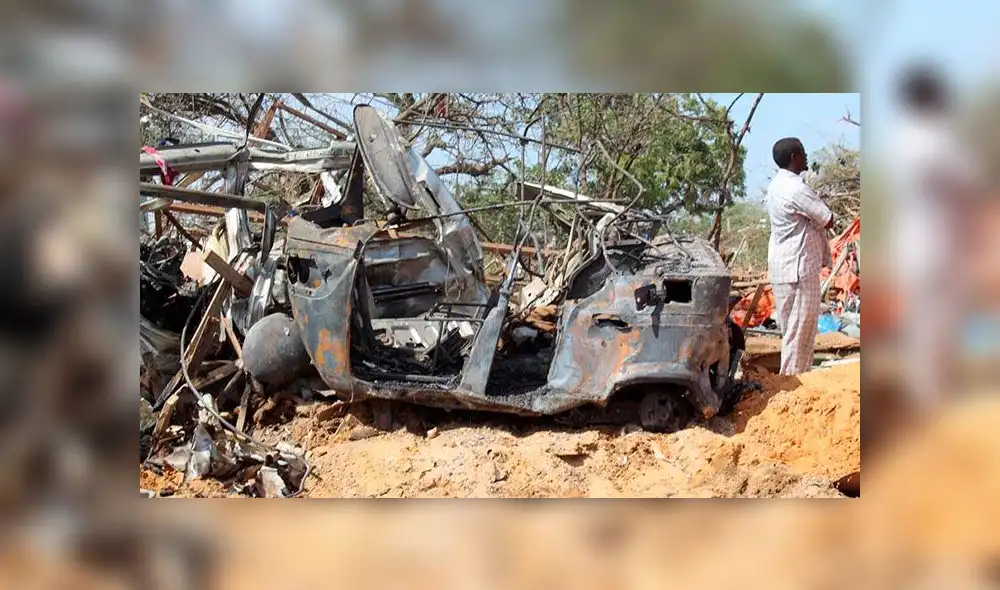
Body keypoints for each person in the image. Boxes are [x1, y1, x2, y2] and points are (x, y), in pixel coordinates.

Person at [766, 137, 834, 375]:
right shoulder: (796, 188)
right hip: (799, 269)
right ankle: (793, 386)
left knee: (791, 332)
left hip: (783, 267)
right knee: (800, 335)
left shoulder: (775, 186)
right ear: (794, 157)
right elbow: (827, 219)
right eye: (803, 153)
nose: (806, 157)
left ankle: (791, 383)